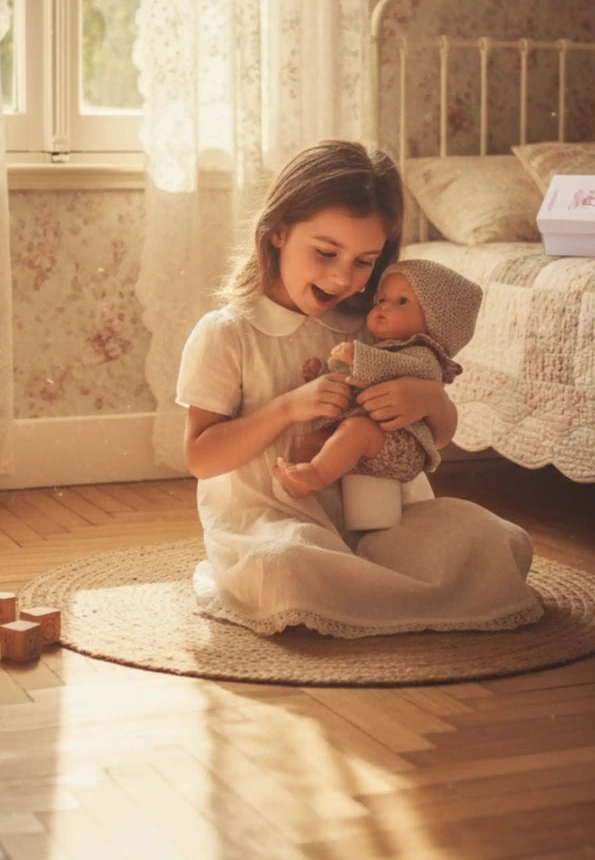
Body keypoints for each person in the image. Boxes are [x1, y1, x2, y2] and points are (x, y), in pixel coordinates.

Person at [176, 140, 541, 637]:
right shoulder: (228, 332)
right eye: (326, 252)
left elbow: (434, 438)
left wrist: (430, 399)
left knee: (498, 542)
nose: (343, 277)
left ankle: (365, 587)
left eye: (365, 261)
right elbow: (201, 458)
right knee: (285, 565)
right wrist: (286, 409)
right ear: (278, 231)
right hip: (272, 520)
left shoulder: (374, 327)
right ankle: (386, 593)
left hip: (379, 520)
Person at [272, 258, 482, 498]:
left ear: (435, 320)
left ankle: (317, 475)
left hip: (402, 447)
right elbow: (347, 381)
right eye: (381, 300)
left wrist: (359, 356)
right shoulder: (381, 348)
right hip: (369, 444)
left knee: (355, 428)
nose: (383, 307)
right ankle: (298, 477)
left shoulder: (424, 355)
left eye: (401, 301)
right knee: (317, 437)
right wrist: (318, 377)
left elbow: (398, 367)